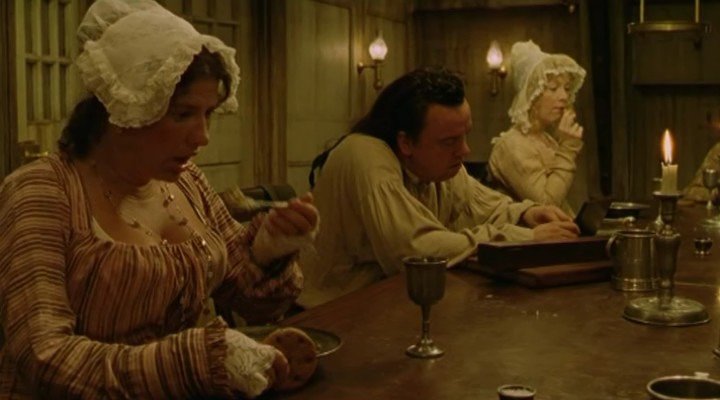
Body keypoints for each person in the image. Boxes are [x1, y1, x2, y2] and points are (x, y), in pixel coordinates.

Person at [0, 0, 318, 398]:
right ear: (124, 109)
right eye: (183, 114)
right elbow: (43, 354)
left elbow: (245, 296)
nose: (202, 137)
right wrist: (190, 362)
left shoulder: (187, 181)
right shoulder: (41, 191)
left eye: (208, 114)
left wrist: (269, 249)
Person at [298, 66, 580, 308]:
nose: (465, 150)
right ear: (406, 142)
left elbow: (483, 206)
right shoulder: (364, 154)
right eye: (449, 142)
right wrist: (525, 238)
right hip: (331, 316)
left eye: (464, 136)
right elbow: (415, 249)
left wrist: (527, 214)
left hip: (387, 306)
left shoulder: (441, 164)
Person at [487, 40, 586, 216]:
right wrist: (568, 149)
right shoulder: (511, 145)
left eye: (566, 88)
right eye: (553, 88)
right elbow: (546, 205)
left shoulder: (546, 139)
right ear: (532, 96)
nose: (564, 96)